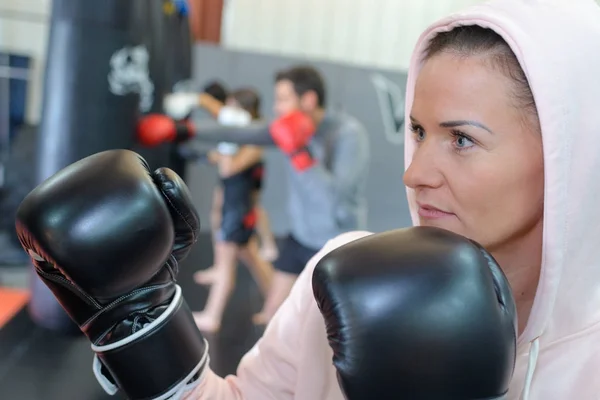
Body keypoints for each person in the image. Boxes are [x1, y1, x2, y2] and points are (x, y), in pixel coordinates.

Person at [19, 0, 600, 398]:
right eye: (418, 131)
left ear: (569, 156)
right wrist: (142, 329)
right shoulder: (343, 272)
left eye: (463, 139)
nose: (416, 173)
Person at [157, 65, 371, 324]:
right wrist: (183, 130)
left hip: (335, 246)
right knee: (273, 317)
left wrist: (298, 152)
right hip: (300, 237)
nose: (277, 108)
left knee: (326, 331)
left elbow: (333, 198)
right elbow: (241, 132)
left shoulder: (348, 135)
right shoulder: (288, 128)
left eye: (283, 99)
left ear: (308, 100)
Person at [191, 87, 276, 333]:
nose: (227, 112)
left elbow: (230, 168)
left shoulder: (254, 140)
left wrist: (225, 147)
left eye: (232, 107)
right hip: (233, 204)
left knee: (227, 263)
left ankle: (212, 316)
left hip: (239, 208)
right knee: (251, 257)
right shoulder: (241, 134)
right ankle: (279, 305)